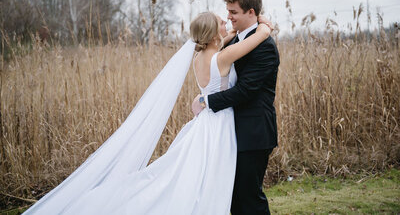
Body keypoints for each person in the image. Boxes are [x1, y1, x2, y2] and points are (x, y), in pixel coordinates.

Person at [23, 11, 273, 215]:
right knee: (209, 176)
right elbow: (256, 38)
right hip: (219, 125)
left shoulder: (200, 55)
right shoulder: (223, 57)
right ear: (212, 32)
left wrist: (225, 37)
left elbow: (225, 40)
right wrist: (264, 26)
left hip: (205, 123)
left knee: (193, 174)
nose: (227, 23)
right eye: (222, 22)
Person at [192, 0, 280, 215]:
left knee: (249, 198)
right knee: (231, 198)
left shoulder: (265, 47)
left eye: (233, 12)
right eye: (227, 12)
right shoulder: (231, 43)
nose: (229, 17)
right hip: (227, 133)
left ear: (251, 12)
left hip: (253, 132)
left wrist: (206, 101)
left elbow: (245, 91)